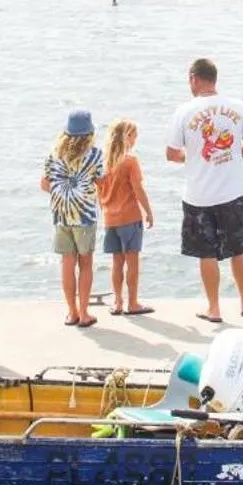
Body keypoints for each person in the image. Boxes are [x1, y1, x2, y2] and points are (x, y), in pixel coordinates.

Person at [165, 57, 243, 323]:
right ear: (214, 79)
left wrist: (195, 158)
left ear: (194, 79)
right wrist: (231, 156)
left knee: (207, 253)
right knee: (239, 247)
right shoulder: (238, 107)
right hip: (232, 191)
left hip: (198, 195)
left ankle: (214, 308)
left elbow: (171, 154)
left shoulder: (183, 112)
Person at [40, 109, 105, 328]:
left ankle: (71, 312)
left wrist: (63, 193)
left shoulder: (54, 154)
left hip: (60, 215)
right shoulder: (95, 155)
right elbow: (102, 183)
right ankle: (85, 313)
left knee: (66, 263)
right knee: (85, 263)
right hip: (85, 215)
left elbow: (44, 184)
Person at [98, 118, 156, 317]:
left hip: (110, 219)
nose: (136, 140)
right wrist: (148, 211)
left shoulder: (103, 163)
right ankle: (133, 303)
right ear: (127, 137)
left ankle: (117, 302)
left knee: (116, 262)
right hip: (130, 217)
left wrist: (105, 208)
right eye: (134, 136)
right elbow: (137, 189)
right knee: (132, 261)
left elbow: (98, 192)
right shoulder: (130, 161)